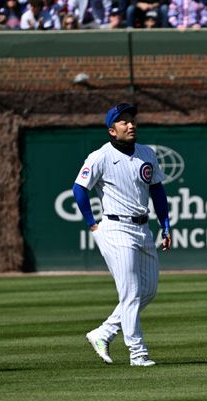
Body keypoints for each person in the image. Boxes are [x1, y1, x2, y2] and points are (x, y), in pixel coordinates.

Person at [71, 103, 172, 367]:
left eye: (132, 120)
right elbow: (79, 188)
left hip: (143, 228)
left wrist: (166, 224)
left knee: (147, 291)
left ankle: (103, 332)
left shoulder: (146, 153)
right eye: (123, 121)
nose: (131, 124)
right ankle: (137, 353)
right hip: (115, 228)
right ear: (112, 130)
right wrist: (93, 224)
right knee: (131, 292)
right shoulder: (100, 156)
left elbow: (158, 191)